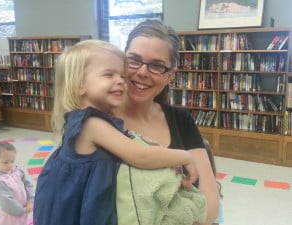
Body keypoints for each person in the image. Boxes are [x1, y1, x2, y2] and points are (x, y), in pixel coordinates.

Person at [33, 39, 204, 225]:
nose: (121, 82)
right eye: (109, 75)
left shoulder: (89, 119)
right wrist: (184, 156)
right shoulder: (92, 124)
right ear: (79, 85)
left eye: (122, 76)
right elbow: (141, 156)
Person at [113, 19, 220, 225]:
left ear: (170, 75)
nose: (142, 72)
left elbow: (210, 202)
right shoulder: (99, 120)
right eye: (134, 59)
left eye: (157, 66)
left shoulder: (181, 121)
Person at [0, 142, 35, 225]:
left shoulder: (17, 171)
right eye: (5, 162)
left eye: (12, 161)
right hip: (11, 215)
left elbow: (28, 185)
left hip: (24, 210)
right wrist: (22, 210)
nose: (10, 165)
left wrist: (30, 200)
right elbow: (6, 201)